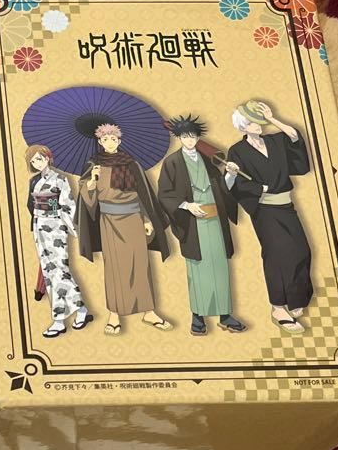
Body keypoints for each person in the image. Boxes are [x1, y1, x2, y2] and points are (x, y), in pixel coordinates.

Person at [76, 123, 172, 335]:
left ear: (119, 141)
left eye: (113, 139)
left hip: (134, 219)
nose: (109, 143)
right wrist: (91, 181)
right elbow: (87, 199)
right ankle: (114, 315)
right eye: (105, 139)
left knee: (141, 264)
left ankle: (148, 311)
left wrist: (146, 220)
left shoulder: (131, 164)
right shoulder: (93, 165)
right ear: (100, 142)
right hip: (109, 221)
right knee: (114, 268)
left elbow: (143, 195)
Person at [227, 100, 314, 332]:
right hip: (264, 210)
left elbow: (294, 137)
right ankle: (277, 307)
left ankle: (296, 298)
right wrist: (258, 188)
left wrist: (273, 118)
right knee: (276, 255)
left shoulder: (275, 140)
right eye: (252, 122)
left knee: (301, 250)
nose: (258, 125)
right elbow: (236, 185)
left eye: (259, 121)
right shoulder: (237, 151)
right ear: (243, 126)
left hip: (287, 206)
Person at [157, 116, 246, 336]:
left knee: (220, 267)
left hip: (215, 221)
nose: (190, 140)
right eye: (185, 136)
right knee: (197, 270)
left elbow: (221, 189)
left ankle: (225, 315)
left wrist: (231, 175)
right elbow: (165, 194)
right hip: (192, 223)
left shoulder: (208, 159)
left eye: (193, 136)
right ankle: (198, 317)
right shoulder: (172, 162)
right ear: (178, 137)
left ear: (198, 138)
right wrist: (187, 205)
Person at [25, 144, 92, 337]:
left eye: (39, 159)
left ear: (47, 158)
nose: (37, 163)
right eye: (33, 161)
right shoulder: (34, 181)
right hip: (40, 226)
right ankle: (80, 311)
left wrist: (75, 229)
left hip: (55, 226)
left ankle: (59, 320)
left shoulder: (60, 179)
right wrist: (39, 213)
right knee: (50, 272)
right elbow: (30, 204)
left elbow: (69, 205)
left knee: (59, 271)